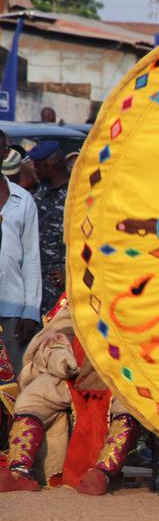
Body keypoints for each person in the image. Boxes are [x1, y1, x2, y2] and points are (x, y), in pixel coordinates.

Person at [0, 298, 141, 494]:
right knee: (33, 397)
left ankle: (103, 472)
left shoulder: (144, 290)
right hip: (74, 373)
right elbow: (57, 330)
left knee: (129, 403)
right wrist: (60, 355)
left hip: (124, 374)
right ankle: (19, 470)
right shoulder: (80, 290)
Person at [0, 135, 41, 377]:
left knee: (17, 383)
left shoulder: (22, 200)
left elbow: (31, 259)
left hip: (14, 308)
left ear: (5, 154)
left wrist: (30, 312)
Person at [29, 141, 69, 314]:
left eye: (37, 167)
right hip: (37, 280)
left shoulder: (77, 194)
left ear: (50, 166)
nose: (34, 171)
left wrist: (70, 273)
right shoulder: (39, 193)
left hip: (63, 281)